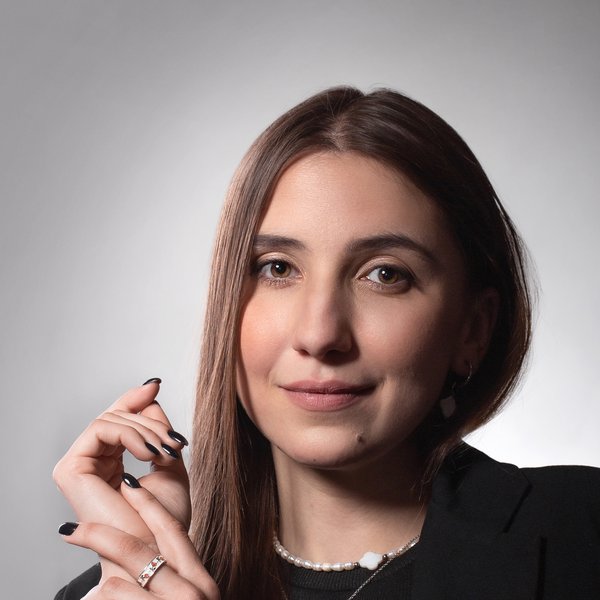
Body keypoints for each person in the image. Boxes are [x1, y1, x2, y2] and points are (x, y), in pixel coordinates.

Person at [53, 87, 600, 600]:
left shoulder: (583, 536)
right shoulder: (110, 595)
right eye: (277, 268)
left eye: (385, 274)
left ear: (472, 330)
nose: (319, 336)